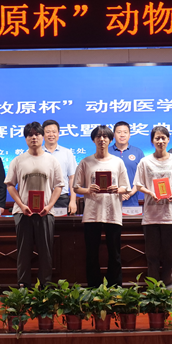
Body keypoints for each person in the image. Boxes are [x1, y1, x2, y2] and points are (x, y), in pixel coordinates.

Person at [6, 122, 66, 286]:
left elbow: (59, 185)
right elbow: (10, 185)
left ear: (42, 136)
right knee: (23, 252)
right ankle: (23, 287)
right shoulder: (18, 160)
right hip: (22, 212)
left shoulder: (52, 160)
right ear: (25, 138)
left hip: (45, 213)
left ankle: (45, 287)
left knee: (46, 252)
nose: (34, 137)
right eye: (30, 134)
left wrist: (49, 206)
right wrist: (21, 205)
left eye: (37, 134)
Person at [73, 125, 130, 287]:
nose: (102, 139)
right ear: (93, 140)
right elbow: (76, 187)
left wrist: (117, 189)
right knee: (91, 254)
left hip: (113, 213)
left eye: (105, 137)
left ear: (110, 140)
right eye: (98, 136)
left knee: (115, 253)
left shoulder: (118, 162)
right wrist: (88, 190)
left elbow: (126, 187)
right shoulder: (85, 162)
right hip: (92, 214)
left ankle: (115, 287)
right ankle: (93, 287)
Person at [134, 126, 172, 287]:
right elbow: (138, 184)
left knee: (171, 256)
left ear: (168, 140)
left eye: (163, 138)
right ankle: (154, 288)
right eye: (157, 138)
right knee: (152, 256)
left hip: (171, 214)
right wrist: (150, 193)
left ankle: (170, 287)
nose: (160, 141)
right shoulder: (145, 161)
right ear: (152, 141)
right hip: (151, 215)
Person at [42, 119, 78, 215]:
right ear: (42, 134)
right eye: (48, 132)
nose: (51, 134)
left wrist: (73, 200)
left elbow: (72, 178)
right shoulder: (37, 153)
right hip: (42, 198)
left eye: (54, 132)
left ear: (58, 133)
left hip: (62, 198)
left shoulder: (67, 153)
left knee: (61, 224)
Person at [109, 121, 142, 207]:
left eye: (125, 132)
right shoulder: (107, 152)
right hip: (110, 201)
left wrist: (130, 193)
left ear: (129, 134)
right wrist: (117, 192)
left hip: (132, 201)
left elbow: (142, 177)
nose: (122, 135)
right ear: (114, 135)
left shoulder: (138, 152)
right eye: (119, 132)